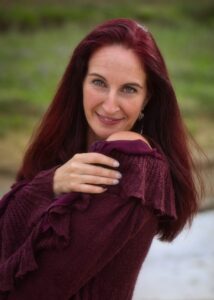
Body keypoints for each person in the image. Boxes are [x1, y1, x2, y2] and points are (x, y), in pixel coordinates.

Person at [0, 18, 201, 300]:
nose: (109, 105)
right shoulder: (62, 155)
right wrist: (50, 183)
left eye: (129, 89)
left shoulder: (130, 161)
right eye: (99, 83)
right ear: (80, 82)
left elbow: (33, 289)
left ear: (147, 98)